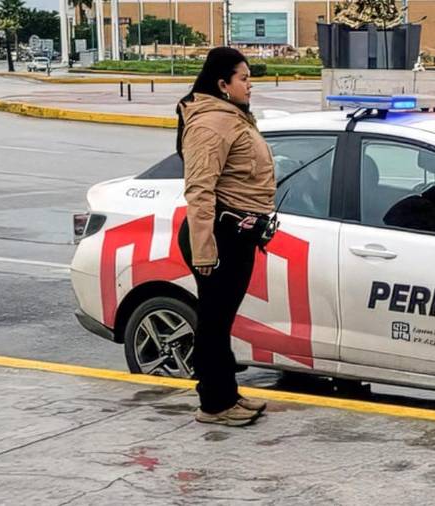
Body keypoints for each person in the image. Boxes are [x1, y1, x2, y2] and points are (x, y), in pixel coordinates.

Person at [175, 47, 276, 427]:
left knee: (221, 319)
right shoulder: (209, 124)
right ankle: (214, 404)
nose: (250, 85)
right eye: (244, 78)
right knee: (214, 321)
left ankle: (227, 394)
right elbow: (199, 189)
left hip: (238, 231)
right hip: (217, 234)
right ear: (222, 84)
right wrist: (205, 251)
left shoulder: (232, 117)